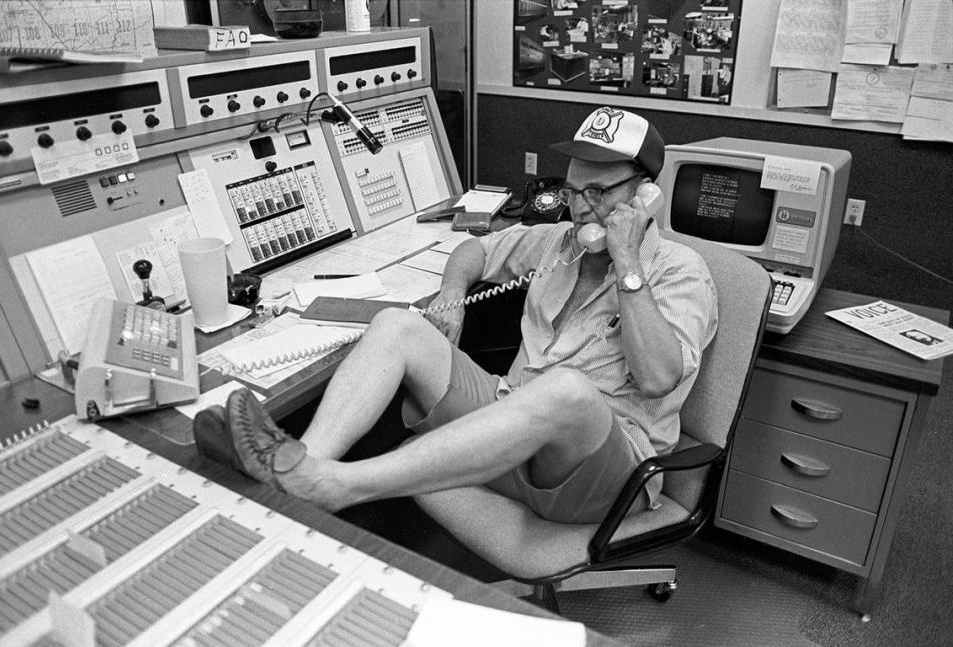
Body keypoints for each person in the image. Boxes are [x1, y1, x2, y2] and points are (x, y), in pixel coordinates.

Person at [197, 106, 718, 525]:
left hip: (601, 478)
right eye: (572, 190)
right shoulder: (561, 245)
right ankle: (298, 467)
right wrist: (451, 294)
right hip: (510, 432)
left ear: (646, 193)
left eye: (598, 193)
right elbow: (476, 251)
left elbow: (658, 379)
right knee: (399, 326)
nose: (579, 209)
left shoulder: (680, 273)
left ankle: (339, 486)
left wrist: (627, 262)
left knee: (566, 389)